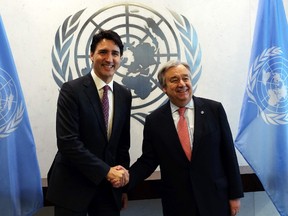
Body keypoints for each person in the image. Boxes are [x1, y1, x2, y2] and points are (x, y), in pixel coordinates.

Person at [127, 60, 244, 216]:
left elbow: (228, 154)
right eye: (174, 80)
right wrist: (125, 180)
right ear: (164, 88)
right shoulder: (154, 121)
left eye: (185, 78)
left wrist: (235, 195)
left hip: (215, 199)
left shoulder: (214, 110)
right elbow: (148, 161)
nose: (182, 84)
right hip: (178, 203)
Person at [46, 29, 132, 216]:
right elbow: (68, 142)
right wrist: (106, 171)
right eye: (103, 52)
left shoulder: (124, 94)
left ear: (121, 59)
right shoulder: (72, 90)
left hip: (108, 191)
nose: (109, 58)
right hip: (72, 188)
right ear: (91, 55)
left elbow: (122, 145)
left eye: (115, 53)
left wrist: (122, 188)